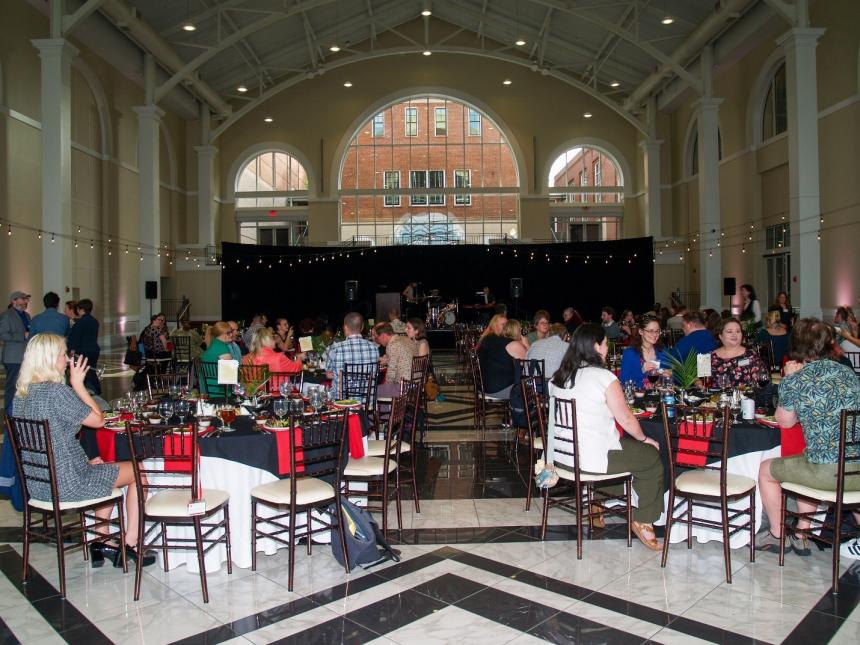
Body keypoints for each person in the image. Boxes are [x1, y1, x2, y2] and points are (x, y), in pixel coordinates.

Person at [12, 333, 155, 567]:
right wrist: (78, 385)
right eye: (63, 354)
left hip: (40, 485)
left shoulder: (22, 395)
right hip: (68, 484)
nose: (68, 360)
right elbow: (98, 420)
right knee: (138, 471)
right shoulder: (56, 393)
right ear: (50, 358)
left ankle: (102, 540)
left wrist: (82, 462)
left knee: (106, 469)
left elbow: (50, 442)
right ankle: (131, 542)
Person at [548, 323, 664, 551]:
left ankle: (597, 504)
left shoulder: (558, 377)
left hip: (562, 456)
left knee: (625, 453)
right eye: (605, 343)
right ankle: (643, 519)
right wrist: (644, 439)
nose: (607, 347)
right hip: (591, 457)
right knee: (650, 457)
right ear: (595, 346)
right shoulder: (604, 377)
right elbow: (626, 419)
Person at [756, 319, 860, 558]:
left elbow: (785, 421)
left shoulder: (798, 379)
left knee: (766, 471)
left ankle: (777, 534)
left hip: (827, 472)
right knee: (805, 460)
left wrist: (789, 379)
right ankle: (802, 533)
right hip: (856, 467)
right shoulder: (847, 372)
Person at [325, 312, 379, 398]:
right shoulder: (374, 348)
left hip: (342, 401)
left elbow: (328, 373)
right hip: (367, 401)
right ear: (362, 327)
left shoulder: (336, 348)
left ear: (345, 327)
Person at [710, 317, 767, 388]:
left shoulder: (751, 355)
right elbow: (702, 382)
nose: (734, 335)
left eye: (738, 331)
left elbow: (764, 380)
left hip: (748, 395)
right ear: (720, 336)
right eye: (729, 331)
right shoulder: (710, 357)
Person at [0, 291, 31, 417]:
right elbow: (3, 334)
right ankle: (8, 414)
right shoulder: (6, 315)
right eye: (23, 299)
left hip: (25, 356)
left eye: (26, 299)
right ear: (14, 301)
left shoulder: (27, 315)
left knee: (23, 386)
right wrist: (22, 336)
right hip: (13, 357)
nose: (25, 302)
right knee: (12, 387)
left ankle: (19, 412)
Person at [477, 319, 526, 400]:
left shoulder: (494, 341)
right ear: (518, 331)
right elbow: (529, 364)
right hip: (498, 390)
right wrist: (526, 344)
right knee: (531, 389)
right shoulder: (514, 344)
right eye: (520, 330)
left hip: (482, 388)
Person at [243, 327, 302, 392]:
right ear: (267, 340)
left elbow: (245, 380)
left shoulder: (246, 358)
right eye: (273, 338)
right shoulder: (278, 357)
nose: (275, 341)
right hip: (277, 393)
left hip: (253, 393)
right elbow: (296, 369)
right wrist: (299, 358)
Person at [620, 315, 670, 389]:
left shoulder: (663, 351)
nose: (655, 334)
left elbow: (672, 375)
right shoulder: (629, 353)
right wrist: (642, 370)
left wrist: (668, 375)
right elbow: (624, 382)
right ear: (641, 331)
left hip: (659, 393)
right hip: (639, 394)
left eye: (657, 331)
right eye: (650, 331)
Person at [66, 298, 101, 395]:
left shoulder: (80, 323)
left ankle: (91, 390)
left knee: (84, 372)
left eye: (78, 309)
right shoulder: (95, 321)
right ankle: (96, 390)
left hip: (83, 351)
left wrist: (70, 349)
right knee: (91, 370)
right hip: (94, 350)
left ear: (81, 309)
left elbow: (75, 338)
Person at [374, 322, 418, 398]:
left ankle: (390, 406)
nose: (377, 341)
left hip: (404, 386)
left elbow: (391, 372)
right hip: (417, 384)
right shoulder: (407, 339)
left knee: (373, 391)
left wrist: (387, 387)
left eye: (377, 338)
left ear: (383, 335)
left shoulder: (392, 345)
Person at [202, 321, 234, 397]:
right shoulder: (222, 347)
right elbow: (230, 375)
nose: (231, 335)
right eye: (228, 333)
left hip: (207, 389)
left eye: (231, 332)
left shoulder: (214, 344)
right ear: (221, 334)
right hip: (219, 391)